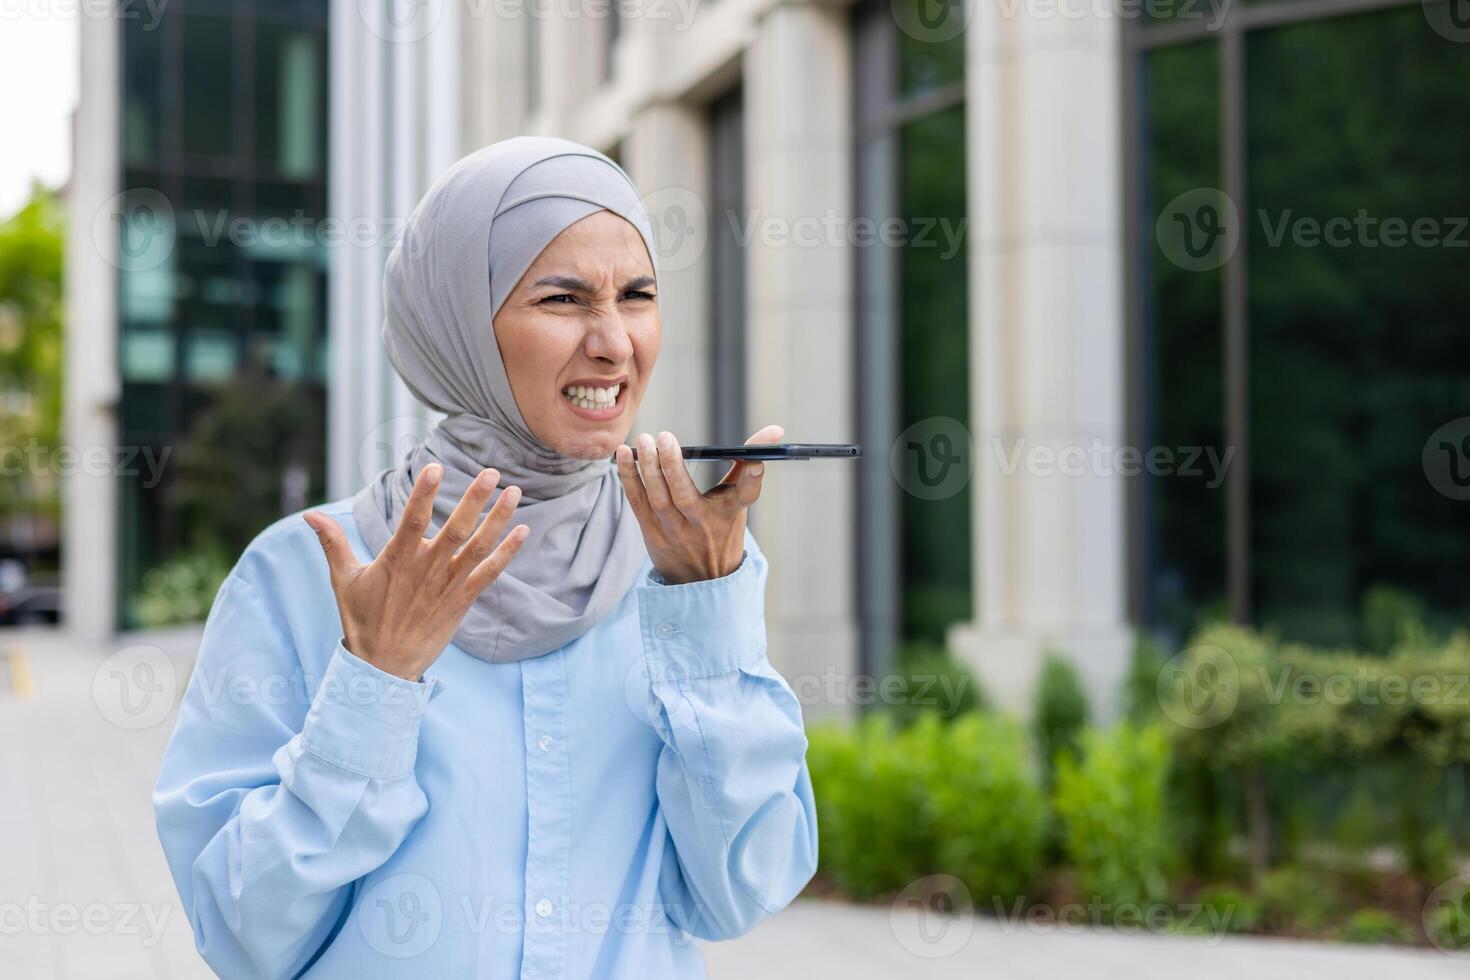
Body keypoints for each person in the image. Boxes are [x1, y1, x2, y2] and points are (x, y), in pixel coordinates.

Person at [152, 136, 818, 978]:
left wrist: (709, 619)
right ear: (460, 321)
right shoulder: (304, 574)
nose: (614, 342)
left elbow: (742, 891)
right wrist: (375, 682)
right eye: (563, 298)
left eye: (638, 295)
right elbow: (246, 933)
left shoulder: (688, 566)